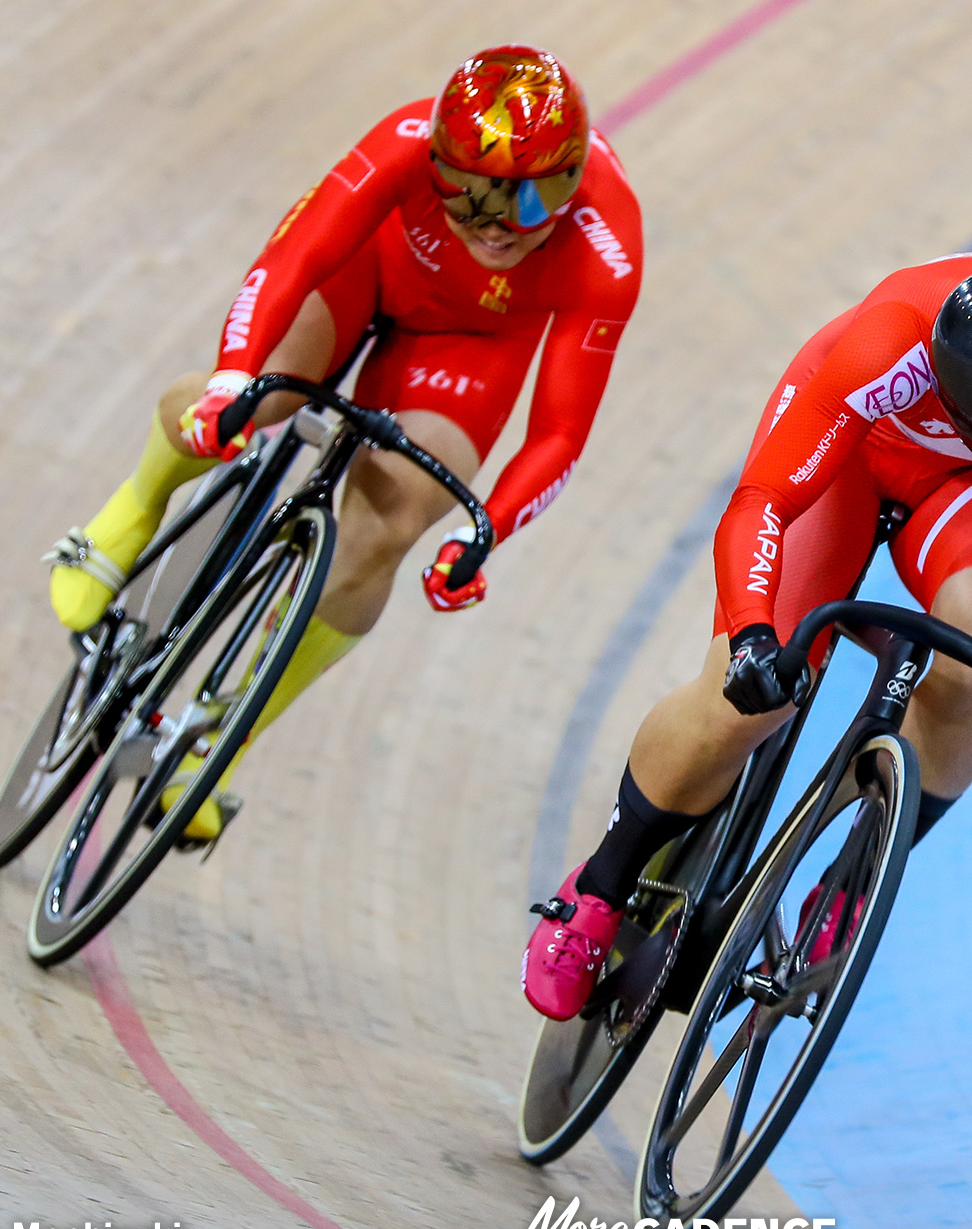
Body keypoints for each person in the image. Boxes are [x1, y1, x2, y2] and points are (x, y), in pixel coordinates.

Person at [522, 256, 972, 1019]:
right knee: (744, 704)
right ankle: (602, 882)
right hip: (851, 440)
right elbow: (762, 504)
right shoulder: (888, 345)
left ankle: (858, 871)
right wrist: (750, 639)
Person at [44, 46, 642, 840]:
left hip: (471, 345)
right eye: (473, 199)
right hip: (371, 268)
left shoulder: (607, 244)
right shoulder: (398, 144)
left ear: (572, 183)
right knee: (260, 400)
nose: (502, 228)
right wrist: (231, 381)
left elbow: (561, 429)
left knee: (390, 523)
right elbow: (294, 259)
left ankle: (225, 734)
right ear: (436, 162)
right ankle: (135, 508)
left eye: (536, 205)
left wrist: (485, 530)